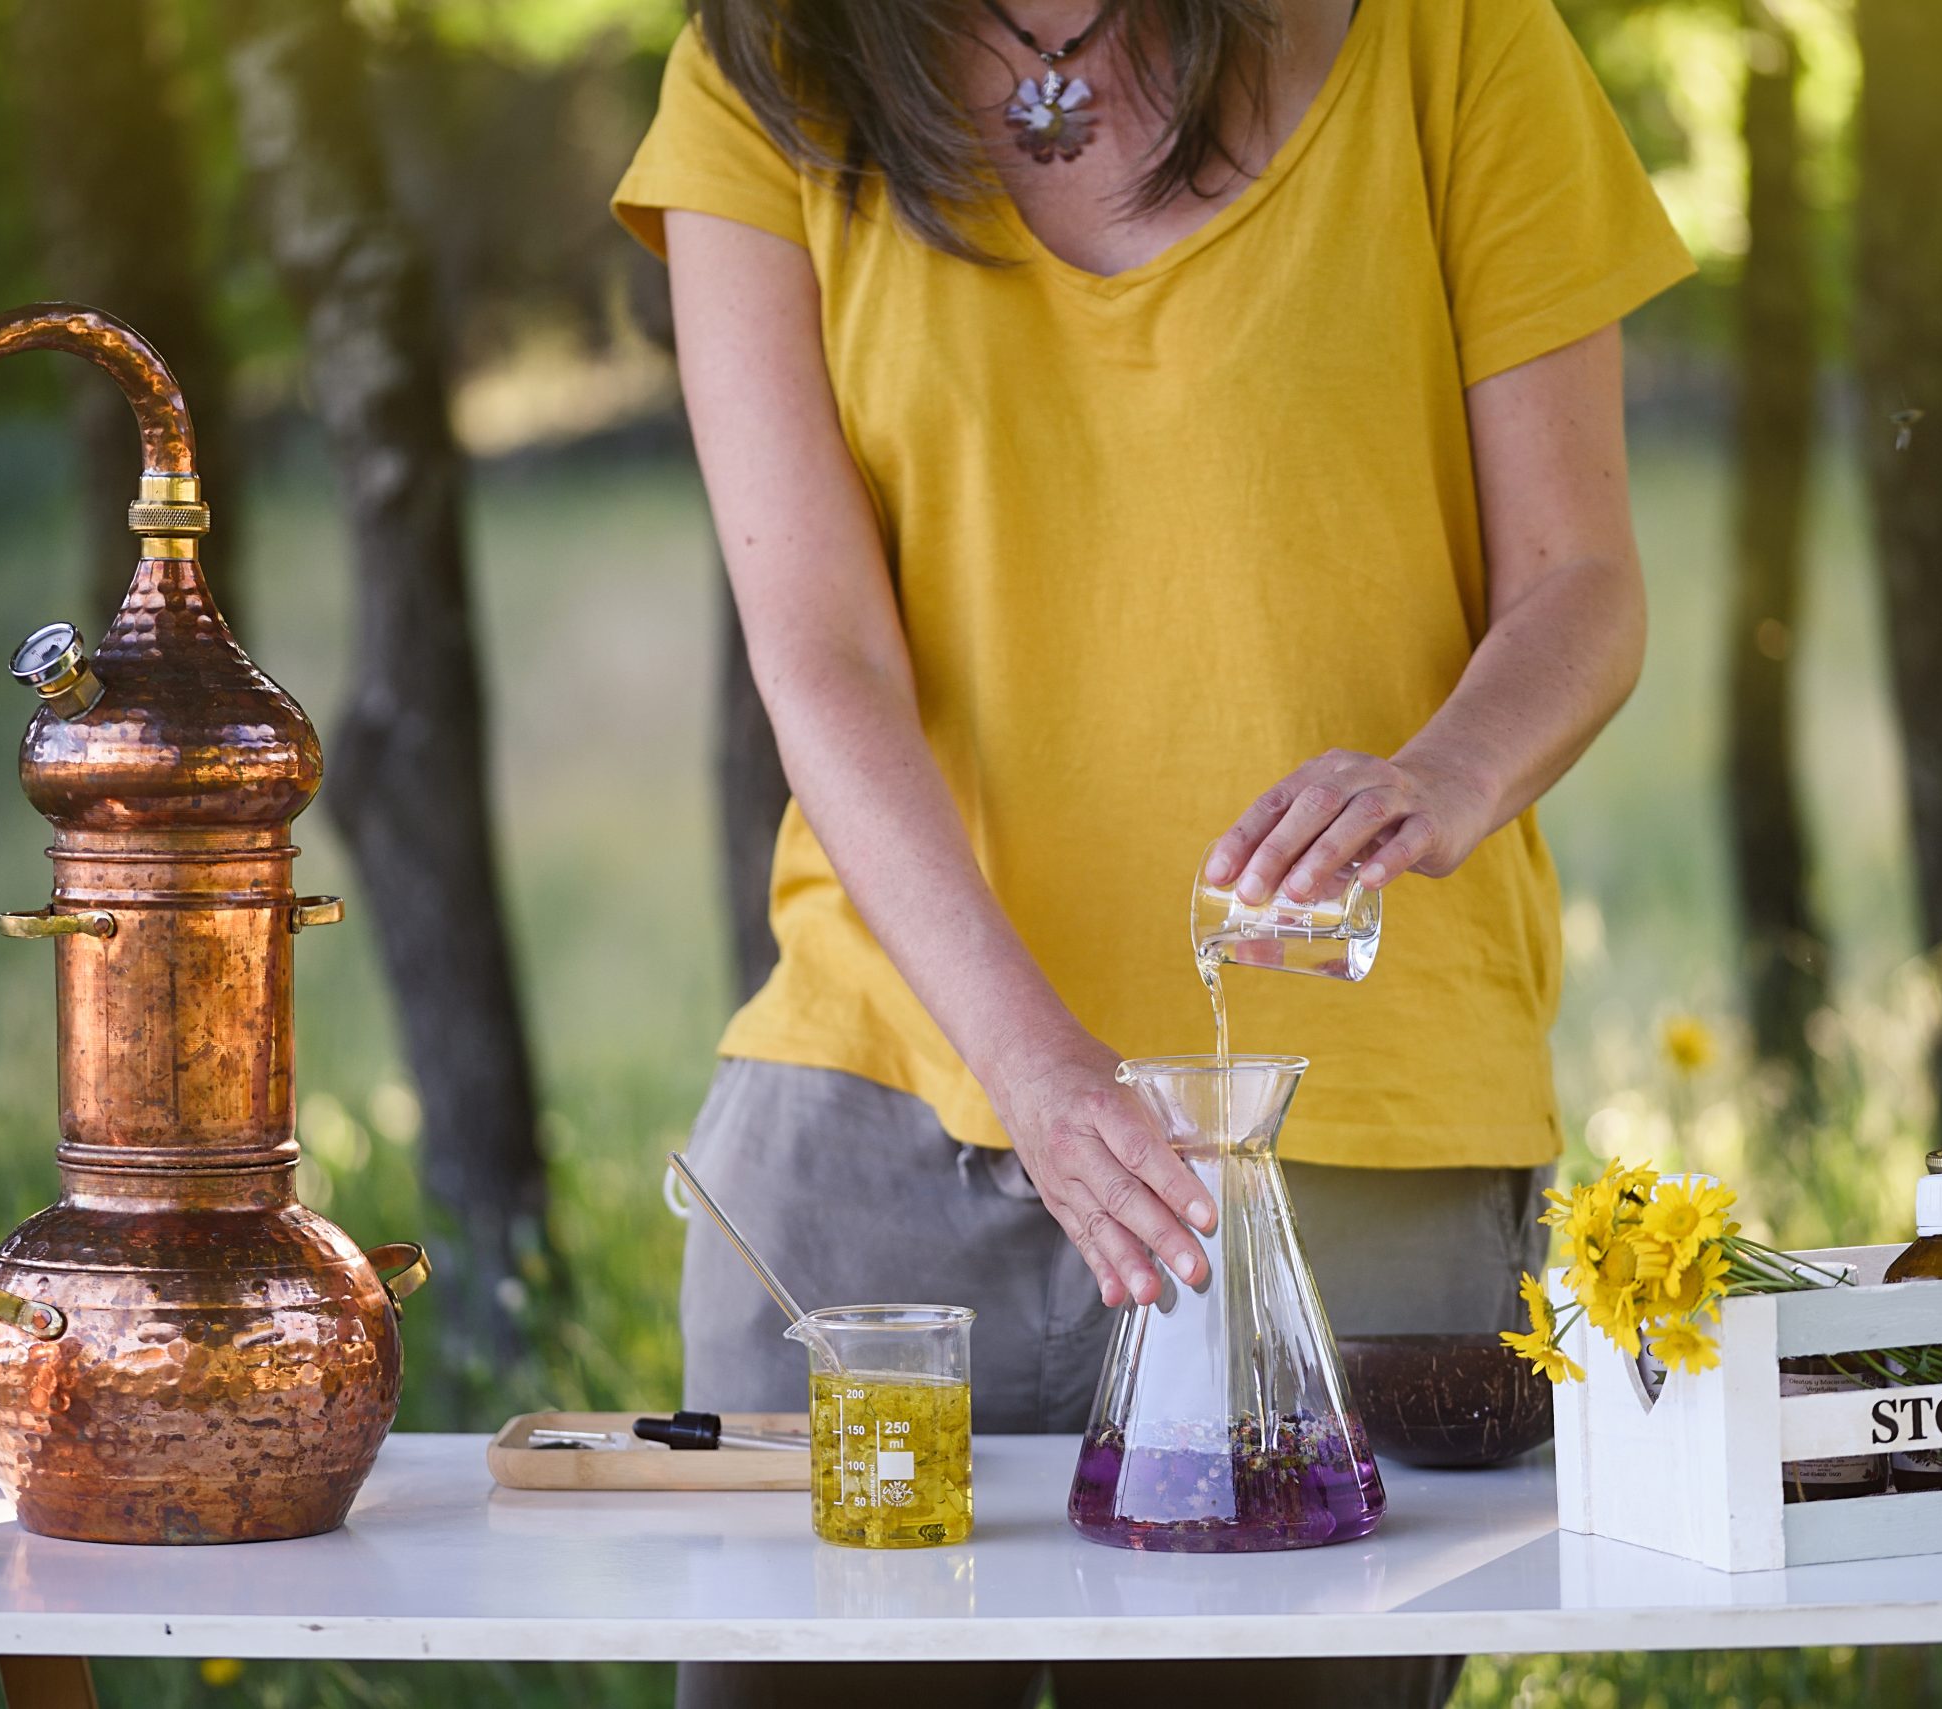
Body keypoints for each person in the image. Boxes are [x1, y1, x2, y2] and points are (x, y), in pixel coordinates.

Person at [614, 0, 1689, 1699]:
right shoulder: (766, 69)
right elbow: (818, 651)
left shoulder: (1460, 42)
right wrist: (1037, 1069)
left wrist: (1446, 772)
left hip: (1346, 1151)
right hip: (885, 1143)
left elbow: (1585, 581)